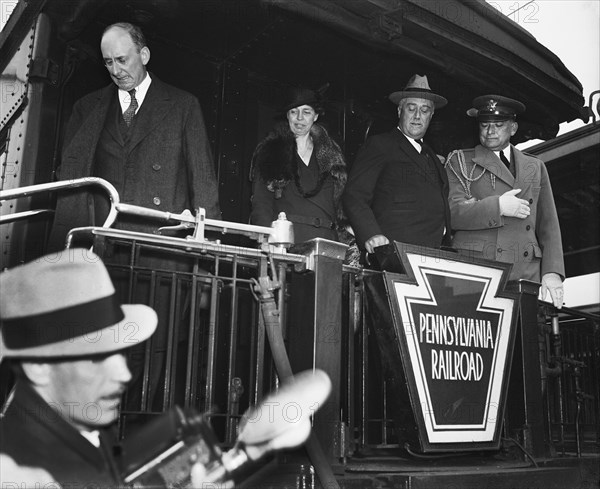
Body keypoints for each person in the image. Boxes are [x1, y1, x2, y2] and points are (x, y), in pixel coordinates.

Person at [48, 22, 221, 249]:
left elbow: (202, 179)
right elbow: (71, 180)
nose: (115, 71)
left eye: (122, 60)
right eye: (108, 62)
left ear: (144, 55)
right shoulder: (87, 108)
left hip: (159, 247)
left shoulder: (184, 105)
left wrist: (208, 242)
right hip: (102, 244)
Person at [0, 249, 158, 486]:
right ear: (37, 365)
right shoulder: (21, 471)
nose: (125, 374)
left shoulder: (83, 420)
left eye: (121, 352)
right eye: (98, 357)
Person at [444, 95, 564, 308]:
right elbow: (452, 212)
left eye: (498, 125)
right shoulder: (460, 161)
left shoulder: (534, 166)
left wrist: (552, 272)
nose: (490, 132)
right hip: (479, 270)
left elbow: (548, 225)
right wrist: (497, 206)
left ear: (513, 128)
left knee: (526, 338)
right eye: (485, 125)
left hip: (526, 271)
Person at [343, 74, 451, 258]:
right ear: (399, 111)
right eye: (411, 108)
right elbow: (355, 196)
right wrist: (371, 234)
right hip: (394, 255)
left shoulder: (432, 156)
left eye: (424, 110)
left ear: (431, 115)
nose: (417, 116)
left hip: (432, 256)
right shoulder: (380, 145)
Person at [250, 86, 347, 244]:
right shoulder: (270, 151)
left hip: (325, 243)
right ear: (287, 115)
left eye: (306, 112)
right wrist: (266, 239)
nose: (299, 118)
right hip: (286, 242)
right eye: (294, 112)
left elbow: (342, 203)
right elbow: (262, 202)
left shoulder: (332, 155)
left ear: (315, 116)